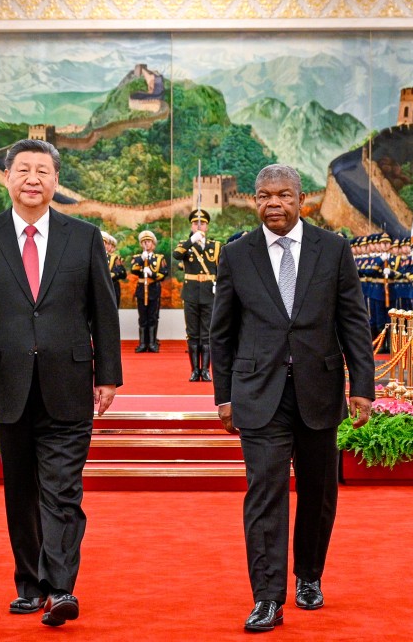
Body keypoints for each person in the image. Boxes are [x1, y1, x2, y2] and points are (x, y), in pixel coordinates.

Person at [0, 138, 122, 628]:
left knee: (63, 490)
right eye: (22, 169)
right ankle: (29, 584)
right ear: (7, 177)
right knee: (20, 489)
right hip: (9, 382)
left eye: (42, 171)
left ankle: (62, 588)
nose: (32, 178)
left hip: (68, 383)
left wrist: (108, 375)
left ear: (54, 181)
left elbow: (103, 312)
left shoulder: (83, 237)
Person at [210, 164, 375, 633]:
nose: (273, 204)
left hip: (318, 390)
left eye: (283, 195)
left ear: (302, 199)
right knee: (265, 493)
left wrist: (362, 386)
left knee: (319, 492)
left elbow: (353, 322)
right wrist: (224, 397)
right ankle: (267, 596)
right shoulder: (237, 254)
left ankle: (309, 575)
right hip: (258, 394)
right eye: (264, 196)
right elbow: (221, 333)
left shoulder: (333, 249)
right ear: (254, 201)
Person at [173, 208, 221, 380]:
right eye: (195, 223)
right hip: (191, 294)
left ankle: (206, 370)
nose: (199, 226)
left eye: (202, 223)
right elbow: (176, 255)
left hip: (209, 294)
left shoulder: (215, 246)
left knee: (207, 333)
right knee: (192, 333)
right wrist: (191, 241)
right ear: (191, 226)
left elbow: (222, 269)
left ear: (207, 226)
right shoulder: (184, 245)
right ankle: (194, 370)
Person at [130, 229, 168, 352]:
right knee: (142, 317)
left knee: (152, 316)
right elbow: (133, 270)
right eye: (144, 242)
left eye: (149, 241)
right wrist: (142, 259)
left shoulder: (159, 258)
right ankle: (142, 343)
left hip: (153, 289)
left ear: (153, 244)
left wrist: (152, 274)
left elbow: (163, 274)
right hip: (141, 289)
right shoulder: (137, 257)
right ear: (141, 244)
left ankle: (152, 343)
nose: (146, 244)